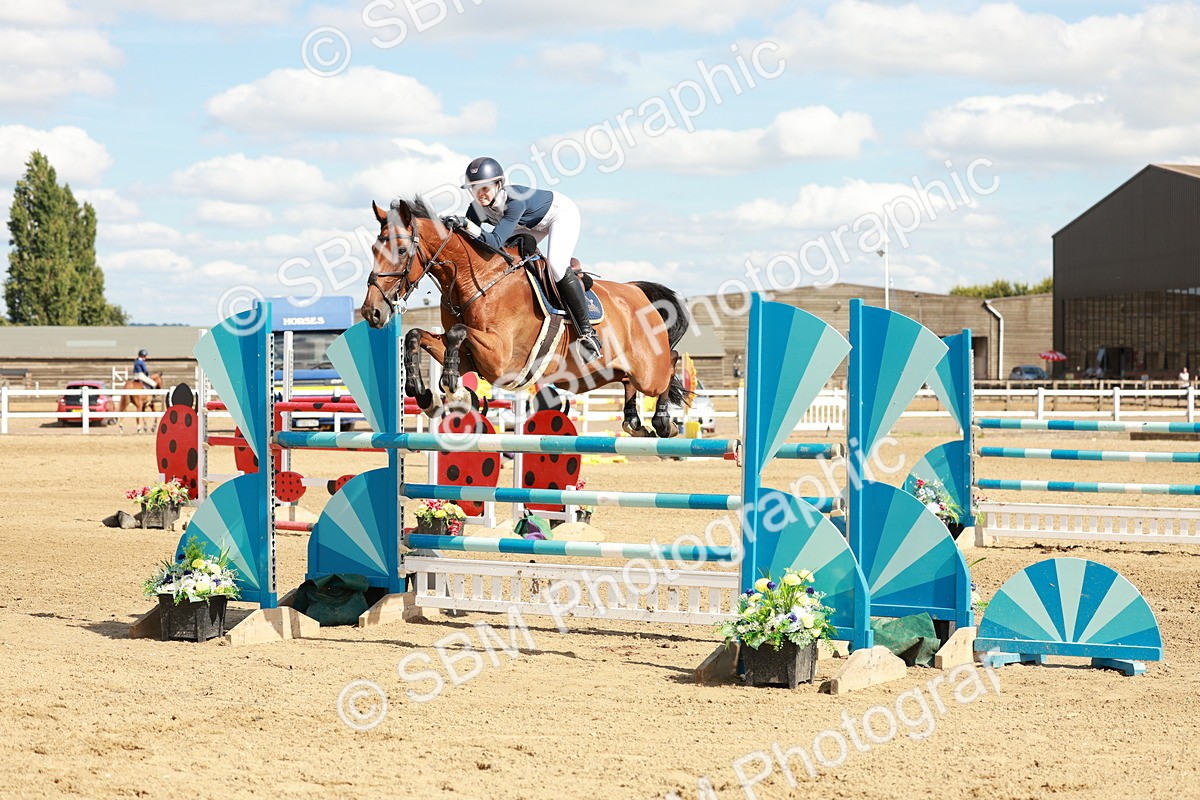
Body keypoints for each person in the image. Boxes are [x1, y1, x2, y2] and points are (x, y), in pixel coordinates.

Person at [445, 156, 601, 365]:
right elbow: (471, 246)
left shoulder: (513, 202)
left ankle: (587, 333)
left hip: (558, 215)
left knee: (555, 265)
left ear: (498, 185)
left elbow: (495, 241)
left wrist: (467, 225)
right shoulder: (476, 209)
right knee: (505, 263)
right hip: (527, 225)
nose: (480, 194)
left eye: (485, 188)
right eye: (474, 188)